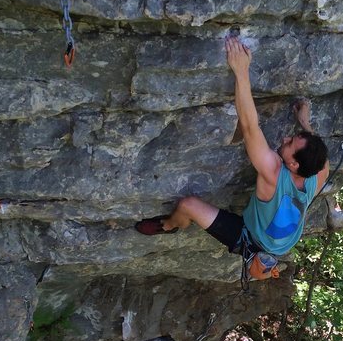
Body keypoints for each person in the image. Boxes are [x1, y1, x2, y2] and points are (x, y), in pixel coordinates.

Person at [135, 36, 330, 261]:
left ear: (293, 165)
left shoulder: (274, 174)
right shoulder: (320, 170)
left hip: (252, 240)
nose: (285, 138)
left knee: (187, 205)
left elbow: (249, 126)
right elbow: (317, 150)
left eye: (289, 144)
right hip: (284, 242)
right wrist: (304, 123)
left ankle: (169, 225)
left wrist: (241, 71)